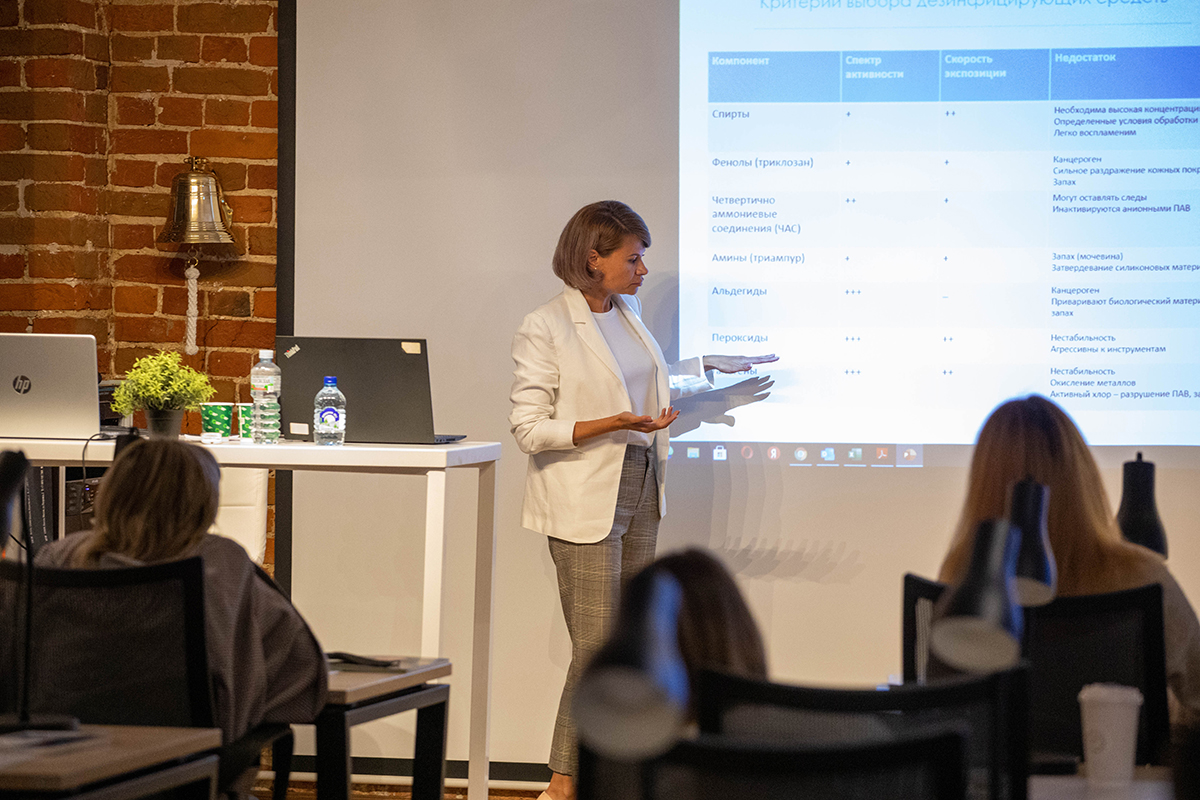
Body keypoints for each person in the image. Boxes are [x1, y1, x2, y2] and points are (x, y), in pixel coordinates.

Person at [510, 200, 776, 800]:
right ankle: (563, 784)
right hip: (583, 498)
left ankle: (608, 779)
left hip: (640, 486)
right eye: (633, 259)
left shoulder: (624, 313)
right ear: (592, 258)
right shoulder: (545, 325)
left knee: (628, 643)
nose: (643, 270)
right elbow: (528, 429)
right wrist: (611, 423)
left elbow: (644, 385)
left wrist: (704, 367)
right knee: (596, 648)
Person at [36, 439, 328, 747]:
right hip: (182, 756)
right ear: (203, 504)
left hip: (64, 753)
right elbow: (302, 672)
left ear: (110, 493)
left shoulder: (59, 557)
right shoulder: (219, 562)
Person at [938, 394, 1200, 725]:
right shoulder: (1142, 576)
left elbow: (943, 704)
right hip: (1114, 759)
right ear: (1082, 477)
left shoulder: (963, 584)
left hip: (996, 759)